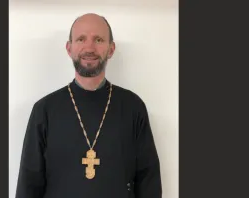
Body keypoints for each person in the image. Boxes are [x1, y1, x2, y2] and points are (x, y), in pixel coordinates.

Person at [15, 13, 162, 198]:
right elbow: (29, 184)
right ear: (69, 48)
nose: (89, 47)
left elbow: (149, 181)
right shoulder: (44, 110)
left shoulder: (133, 107)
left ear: (111, 49)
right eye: (81, 39)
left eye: (99, 39)